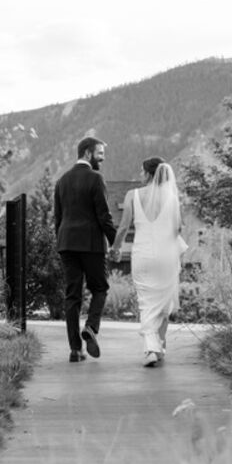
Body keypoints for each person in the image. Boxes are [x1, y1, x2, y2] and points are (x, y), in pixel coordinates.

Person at [109, 157, 186, 367]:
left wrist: (115, 248)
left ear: (150, 174)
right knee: (163, 303)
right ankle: (159, 345)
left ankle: (152, 348)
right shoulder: (171, 197)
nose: (141, 175)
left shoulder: (132, 195)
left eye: (142, 172)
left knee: (146, 303)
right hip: (165, 256)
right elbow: (177, 228)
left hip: (142, 255)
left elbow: (123, 227)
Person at [54, 136, 117, 363]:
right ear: (88, 153)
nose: (103, 158)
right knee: (100, 288)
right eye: (100, 153)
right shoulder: (95, 179)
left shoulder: (61, 181)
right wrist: (115, 242)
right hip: (91, 244)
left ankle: (75, 349)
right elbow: (104, 216)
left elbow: (58, 218)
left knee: (72, 295)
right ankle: (91, 327)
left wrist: (61, 243)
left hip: (66, 243)